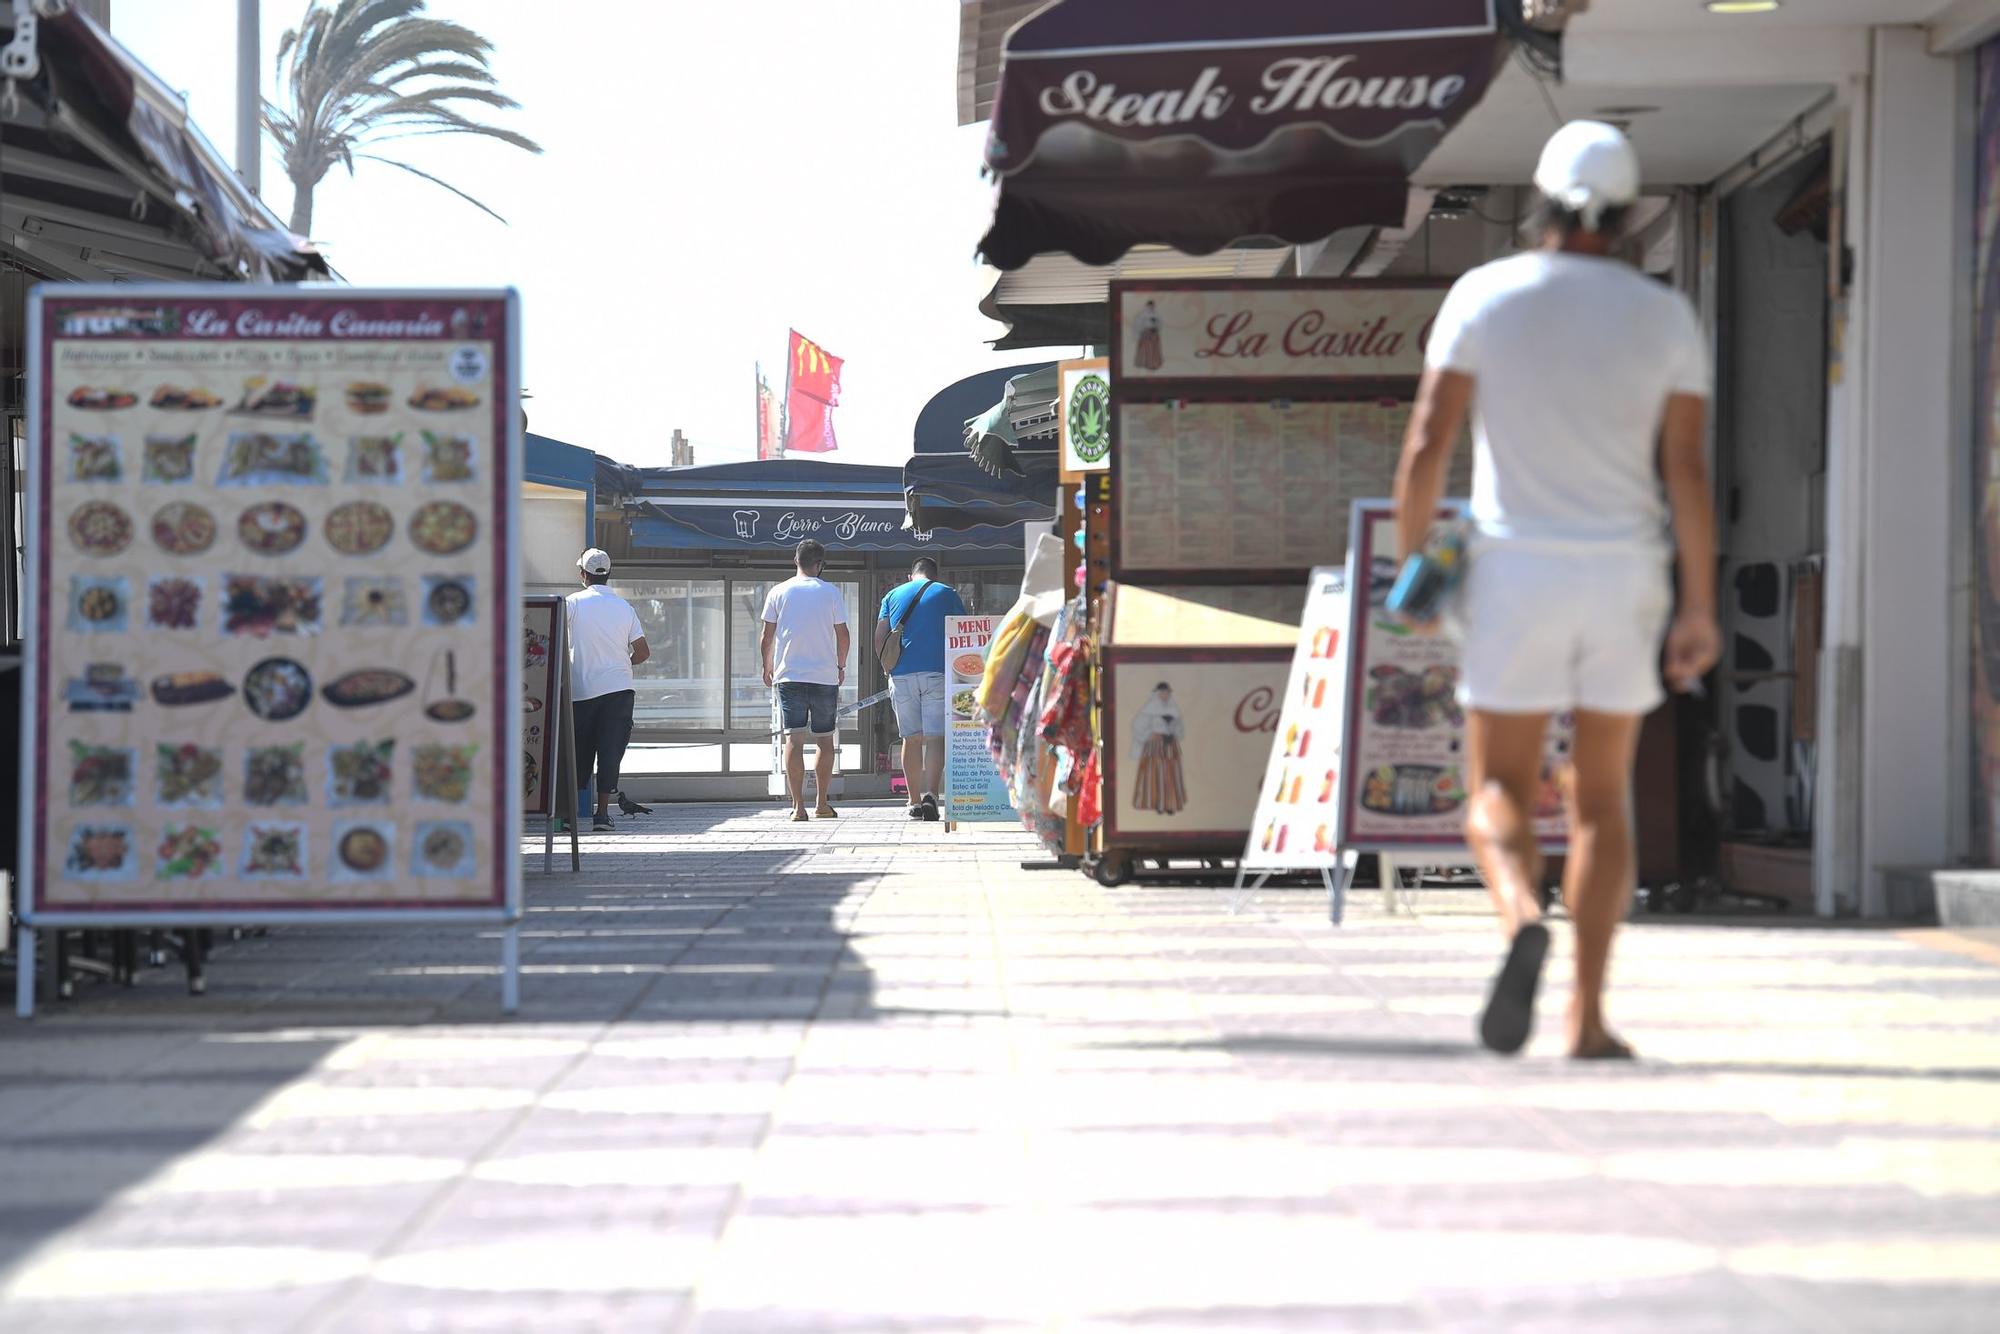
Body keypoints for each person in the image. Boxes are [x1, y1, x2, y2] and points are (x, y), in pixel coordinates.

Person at [1392, 120, 1721, 1061]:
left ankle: (1519, 918)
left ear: (1537, 198)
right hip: (1623, 575)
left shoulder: (1484, 297)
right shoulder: (1663, 317)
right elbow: (1686, 472)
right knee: (1604, 798)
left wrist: (1419, 565)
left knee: (1495, 784)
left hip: (1513, 571)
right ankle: (1586, 1017)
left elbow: (1426, 444)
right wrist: (1696, 604)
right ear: (1628, 214)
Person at [761, 539, 850, 821]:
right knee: (825, 741)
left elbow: (767, 636)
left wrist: (767, 667)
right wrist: (840, 665)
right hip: (824, 676)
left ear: (795, 560)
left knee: (793, 740)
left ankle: (798, 807)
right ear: (819, 564)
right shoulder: (831, 592)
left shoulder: (778, 591)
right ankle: (822, 803)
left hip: (789, 676)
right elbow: (843, 634)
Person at [566, 548, 652, 833]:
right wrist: (619, 664)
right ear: (608, 574)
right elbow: (642, 652)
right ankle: (602, 814)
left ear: (582, 574)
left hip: (581, 690)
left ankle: (569, 815)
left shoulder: (572, 604)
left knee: (578, 751)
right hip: (619, 690)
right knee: (610, 750)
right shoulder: (624, 608)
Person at [875, 556, 965, 821]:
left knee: (911, 738)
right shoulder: (947, 593)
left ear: (910, 575)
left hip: (901, 674)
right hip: (937, 671)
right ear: (934, 576)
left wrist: (887, 667)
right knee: (936, 737)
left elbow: (880, 636)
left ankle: (913, 801)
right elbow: (961, 631)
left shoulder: (892, 595)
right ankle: (931, 796)